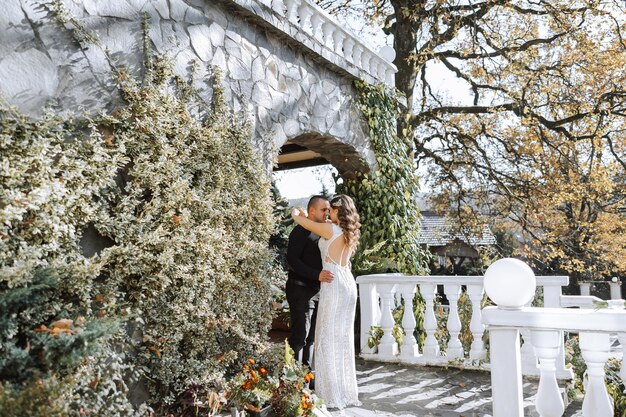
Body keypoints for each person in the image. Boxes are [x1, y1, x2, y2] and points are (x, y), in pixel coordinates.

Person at [290, 194, 361, 410]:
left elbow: (303, 222)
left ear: (339, 210)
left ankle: (329, 393)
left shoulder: (330, 229)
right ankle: (344, 390)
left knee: (326, 336)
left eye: (331, 209)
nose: (328, 212)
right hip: (347, 283)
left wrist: (295, 212)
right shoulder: (348, 232)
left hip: (333, 283)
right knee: (342, 339)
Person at [286, 195, 334, 367]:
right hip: (300, 290)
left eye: (329, 209)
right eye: (323, 209)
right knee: (300, 336)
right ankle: (293, 380)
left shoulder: (324, 231)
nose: (327, 213)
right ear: (311, 210)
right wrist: (316, 275)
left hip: (318, 291)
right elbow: (292, 260)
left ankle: (306, 377)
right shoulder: (299, 231)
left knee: (312, 337)